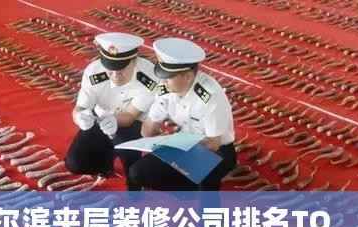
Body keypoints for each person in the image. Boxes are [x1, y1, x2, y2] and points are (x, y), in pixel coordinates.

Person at [129, 37, 237, 191]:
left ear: (187, 76)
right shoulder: (166, 89)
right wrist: (157, 137)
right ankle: (187, 188)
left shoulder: (209, 96)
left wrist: (178, 147)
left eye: (169, 77)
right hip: (183, 143)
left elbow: (213, 144)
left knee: (205, 177)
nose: (163, 81)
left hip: (218, 150)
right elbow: (148, 129)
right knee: (138, 172)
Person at [65, 32, 158, 190]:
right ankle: (104, 165)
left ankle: (134, 182)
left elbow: (130, 116)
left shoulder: (149, 77)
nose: (115, 76)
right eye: (110, 70)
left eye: (121, 70)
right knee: (75, 163)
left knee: (127, 151)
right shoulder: (94, 71)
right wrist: (80, 117)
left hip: (133, 124)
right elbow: (80, 108)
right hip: (100, 118)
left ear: (134, 61)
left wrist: (114, 120)